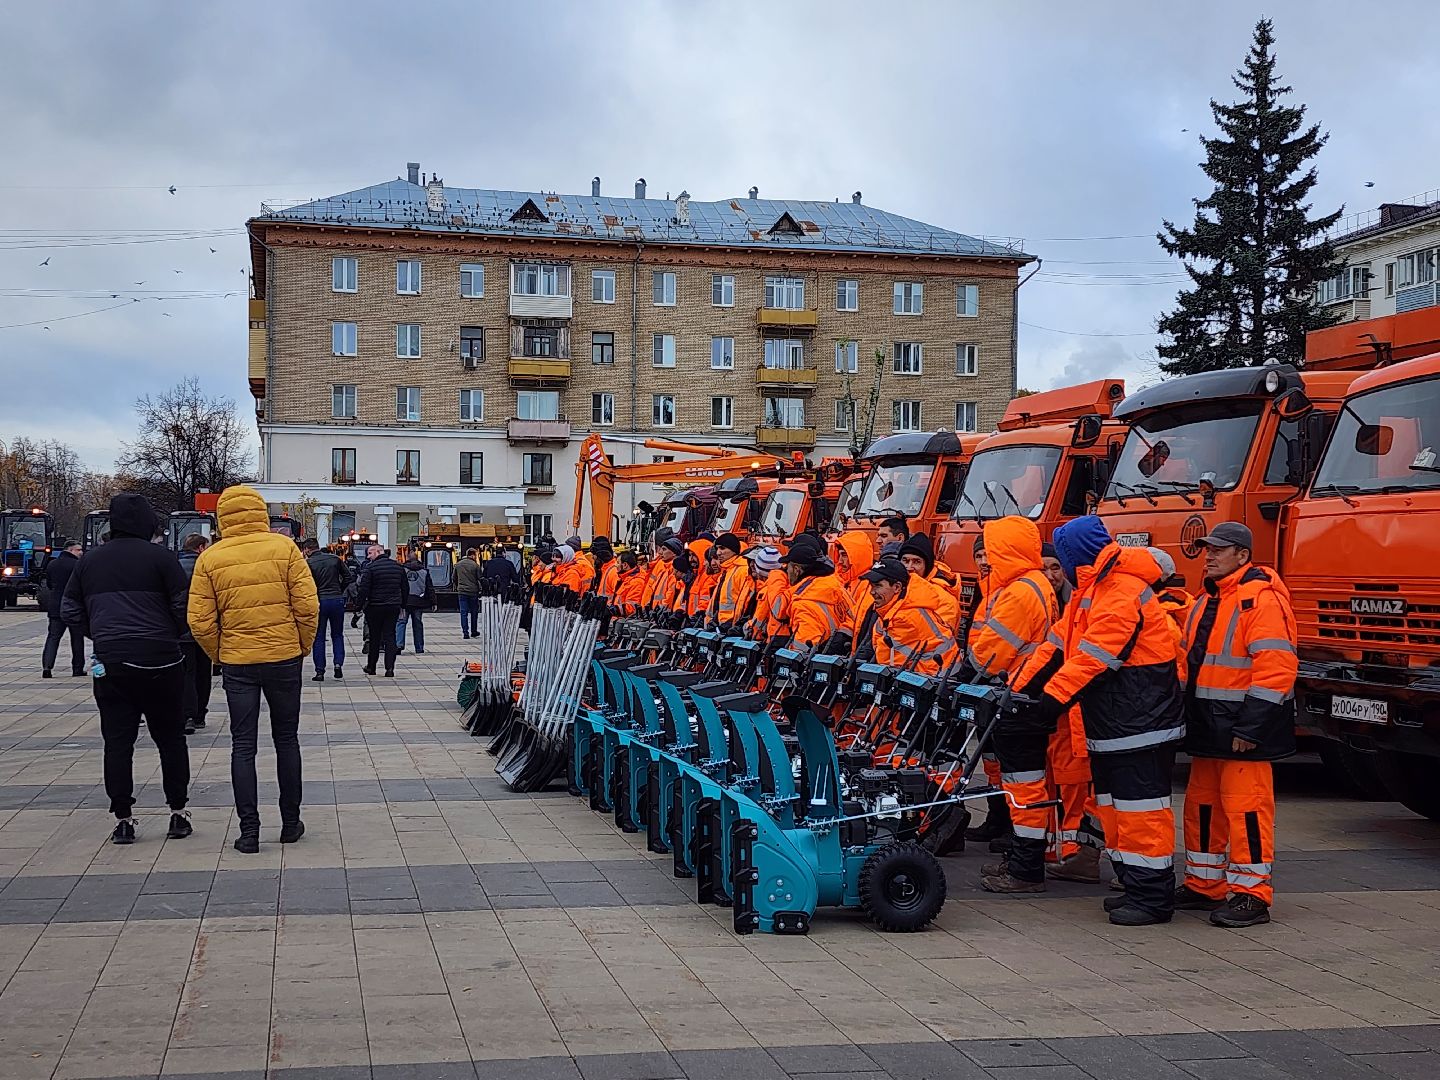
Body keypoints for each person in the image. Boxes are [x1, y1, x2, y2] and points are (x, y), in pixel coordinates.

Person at [1022, 515, 1183, 926]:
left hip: (1140, 723)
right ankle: (1135, 884)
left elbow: (1095, 656)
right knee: (1116, 810)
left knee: (1141, 812)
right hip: (1118, 721)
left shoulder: (1120, 590)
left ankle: (1152, 897)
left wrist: (1050, 700)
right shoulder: (1092, 591)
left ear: (1076, 555)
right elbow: (1056, 647)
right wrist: (1020, 689)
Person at [1177, 522, 1297, 929]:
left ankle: (1252, 895)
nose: (1209, 556)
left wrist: (1250, 729)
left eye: (1218, 550)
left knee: (1247, 811)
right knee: (1202, 808)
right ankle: (1203, 884)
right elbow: (1190, 663)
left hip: (1241, 732)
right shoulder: (1207, 599)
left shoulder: (1260, 600)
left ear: (1242, 556)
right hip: (1209, 727)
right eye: (1207, 549)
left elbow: (1276, 669)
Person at [188, 485, 319, 854]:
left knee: (243, 745)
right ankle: (290, 823)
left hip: (238, 662)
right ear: (260, 512)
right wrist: (301, 645)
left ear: (222, 517)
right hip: (283, 658)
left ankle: (249, 832)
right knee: (286, 740)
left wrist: (220, 654)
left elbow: (199, 620)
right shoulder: (284, 548)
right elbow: (307, 607)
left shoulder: (210, 558)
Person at [62, 493, 192, 845]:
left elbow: (69, 608)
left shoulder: (89, 561)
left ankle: (123, 818)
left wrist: (101, 635)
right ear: (148, 523)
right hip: (162, 660)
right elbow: (184, 606)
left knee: (118, 743)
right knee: (171, 739)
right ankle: (178, 812)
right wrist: (170, 635)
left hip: (112, 662)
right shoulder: (162, 559)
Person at [964, 517, 1060, 895]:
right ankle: (1023, 861)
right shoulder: (1035, 585)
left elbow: (989, 655)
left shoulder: (1020, 593)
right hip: (1029, 695)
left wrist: (971, 665)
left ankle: (1026, 870)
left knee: (1024, 786)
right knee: (1025, 785)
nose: (987, 558)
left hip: (1019, 697)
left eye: (992, 549)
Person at [863, 557, 957, 676]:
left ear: (897, 587)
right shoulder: (893, 610)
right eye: (871, 586)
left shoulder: (905, 618)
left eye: (878, 586)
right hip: (930, 675)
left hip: (936, 678)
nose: (872, 592)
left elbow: (888, 664)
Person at [780, 534, 853, 651]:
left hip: (818, 658)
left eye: (787, 567)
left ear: (796, 570)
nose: (786, 571)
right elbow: (854, 618)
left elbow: (802, 649)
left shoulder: (803, 602)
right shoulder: (835, 583)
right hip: (843, 654)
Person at [177, 534, 214, 733]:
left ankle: (187, 714)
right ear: (200, 548)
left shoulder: (173, 567)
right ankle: (199, 714)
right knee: (203, 673)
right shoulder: (207, 567)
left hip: (181, 631)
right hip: (204, 629)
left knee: (186, 674)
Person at [355, 543, 407, 677]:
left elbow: (364, 589)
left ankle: (371, 667)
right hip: (393, 606)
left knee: (375, 637)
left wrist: (358, 607)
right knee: (390, 636)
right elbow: (405, 587)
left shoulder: (370, 568)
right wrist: (403, 605)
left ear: (378, 552)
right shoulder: (398, 567)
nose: (368, 557)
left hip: (375, 606)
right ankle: (390, 668)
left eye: (370, 553)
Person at [304, 539, 350, 682]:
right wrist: (339, 590)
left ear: (307, 549)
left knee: (318, 636)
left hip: (319, 601)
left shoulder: (308, 563)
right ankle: (338, 664)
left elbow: (304, 584)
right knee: (337, 634)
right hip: (336, 600)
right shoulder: (335, 559)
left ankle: (320, 671)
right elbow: (348, 577)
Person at [41, 539, 85, 679]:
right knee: (77, 638)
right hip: (73, 606)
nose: (81, 552)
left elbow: (49, 584)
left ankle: (47, 667)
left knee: (53, 638)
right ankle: (77, 668)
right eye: (78, 550)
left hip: (55, 606)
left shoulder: (52, 564)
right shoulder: (77, 565)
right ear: (70, 550)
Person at [708, 533, 753, 631]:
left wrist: (734, 624)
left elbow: (743, 602)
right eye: (717, 548)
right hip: (722, 626)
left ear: (733, 550)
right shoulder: (726, 571)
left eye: (722, 548)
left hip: (731, 627)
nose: (718, 553)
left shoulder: (742, 570)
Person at [746, 545, 789, 641]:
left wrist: (746, 627)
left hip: (772, 640)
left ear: (759, 570)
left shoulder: (766, 591)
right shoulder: (784, 584)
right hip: (781, 638)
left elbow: (758, 624)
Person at [396, 549, 435, 654]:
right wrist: (433, 602)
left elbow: (398, 586)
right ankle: (419, 647)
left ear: (407, 558)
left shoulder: (402, 570)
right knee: (417, 624)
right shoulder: (424, 571)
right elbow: (429, 588)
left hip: (404, 602)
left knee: (401, 622)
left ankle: (399, 645)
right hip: (419, 601)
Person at [455, 548, 482, 638]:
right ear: (473, 555)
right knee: (474, 612)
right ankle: (474, 631)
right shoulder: (475, 566)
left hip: (462, 591)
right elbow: (480, 578)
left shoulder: (458, 565)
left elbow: (454, 578)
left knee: (463, 612)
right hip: (473, 592)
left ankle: (465, 632)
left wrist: (458, 586)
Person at [1040, 542, 1073, 612]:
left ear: (1063, 571)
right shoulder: (1024, 601)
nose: (1049, 577)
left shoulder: (1077, 599)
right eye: (1043, 570)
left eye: (1055, 569)